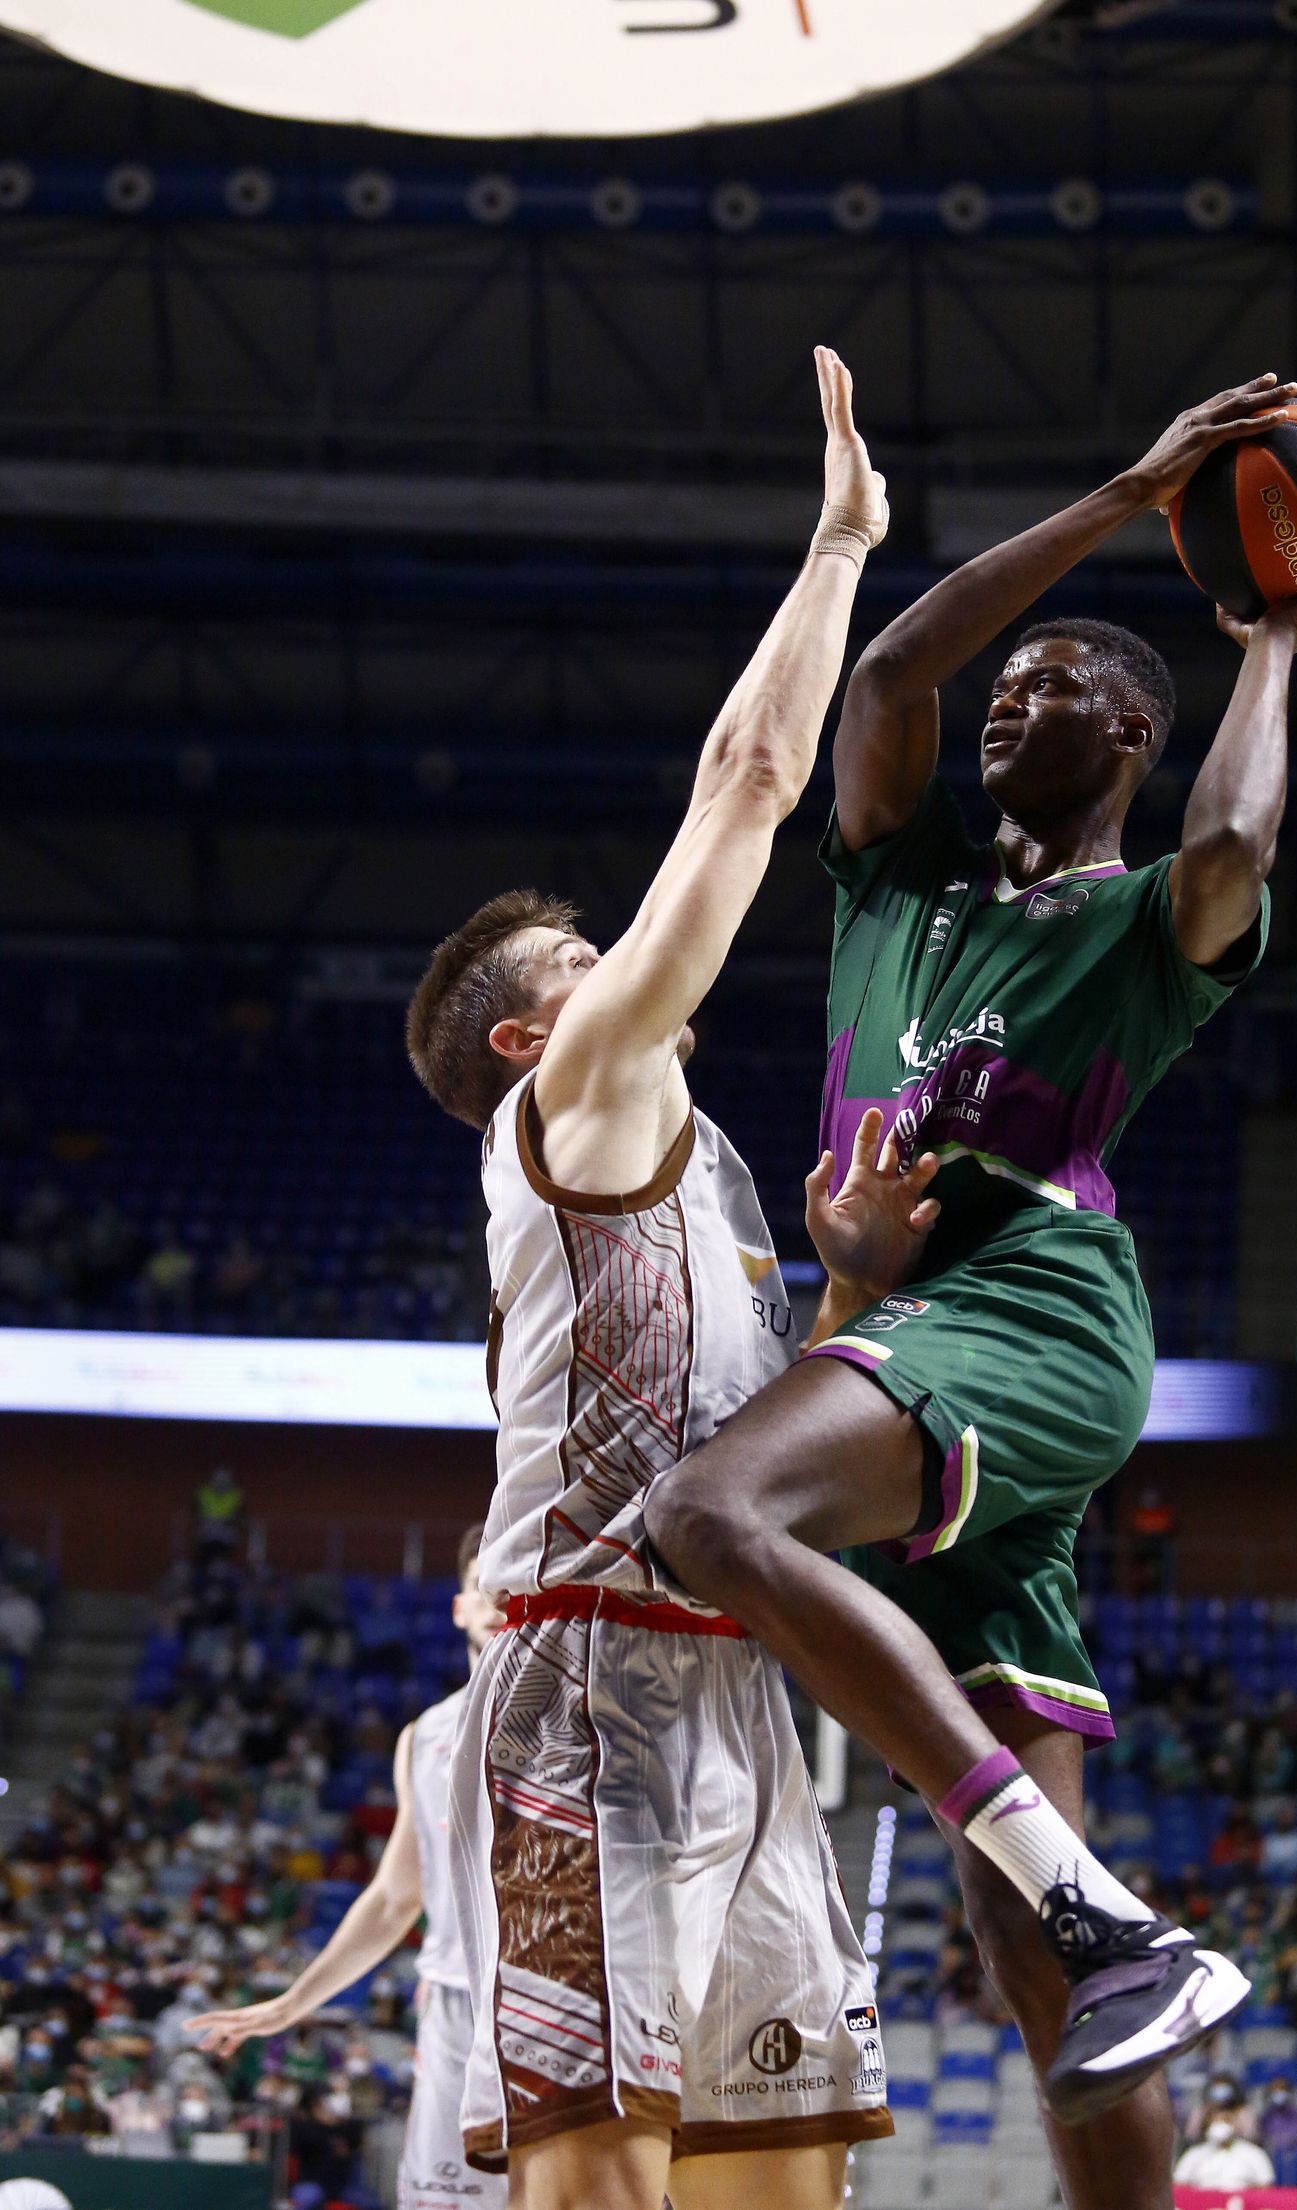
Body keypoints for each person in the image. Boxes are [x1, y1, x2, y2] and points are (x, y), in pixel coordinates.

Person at [643, 372, 1297, 2190]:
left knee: (709, 1511)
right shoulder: (894, 882)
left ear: (1132, 734)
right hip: (902, 1323)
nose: (1012, 708)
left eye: (1059, 691)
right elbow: (891, 677)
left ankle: (1101, 1906)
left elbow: (1229, 851)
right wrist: (1123, 495)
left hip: (1028, 1308)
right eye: (1016, 687)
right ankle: (1091, 1927)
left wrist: (1277, 638)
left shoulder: (1146, 927)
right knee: (1027, 1959)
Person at [403, 351, 907, 2210]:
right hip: (582, 1703)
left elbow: (756, 1470)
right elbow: (752, 781)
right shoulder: (580, 1107)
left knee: (781, 2184)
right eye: (595, 956)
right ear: (546, 1033)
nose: (636, 956)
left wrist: (845, 1300)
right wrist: (841, 546)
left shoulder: (719, 1185)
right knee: (598, 2184)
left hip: (739, 1701)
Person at [184, 1525, 508, 2210]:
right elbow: (395, 1900)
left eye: (517, 1576)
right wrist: (292, 2002)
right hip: (455, 2008)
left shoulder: (595, 1713)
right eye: (485, 1581)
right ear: (459, 1606)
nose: (500, 1594)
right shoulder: (424, 1738)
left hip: (572, 2000)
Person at [1173, 2114, 1275, 2190]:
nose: (1220, 2125)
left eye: (1225, 2121)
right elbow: (1179, 2184)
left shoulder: (1254, 2153)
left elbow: (1265, 2185)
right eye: (1215, 2121)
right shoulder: (1194, 2153)